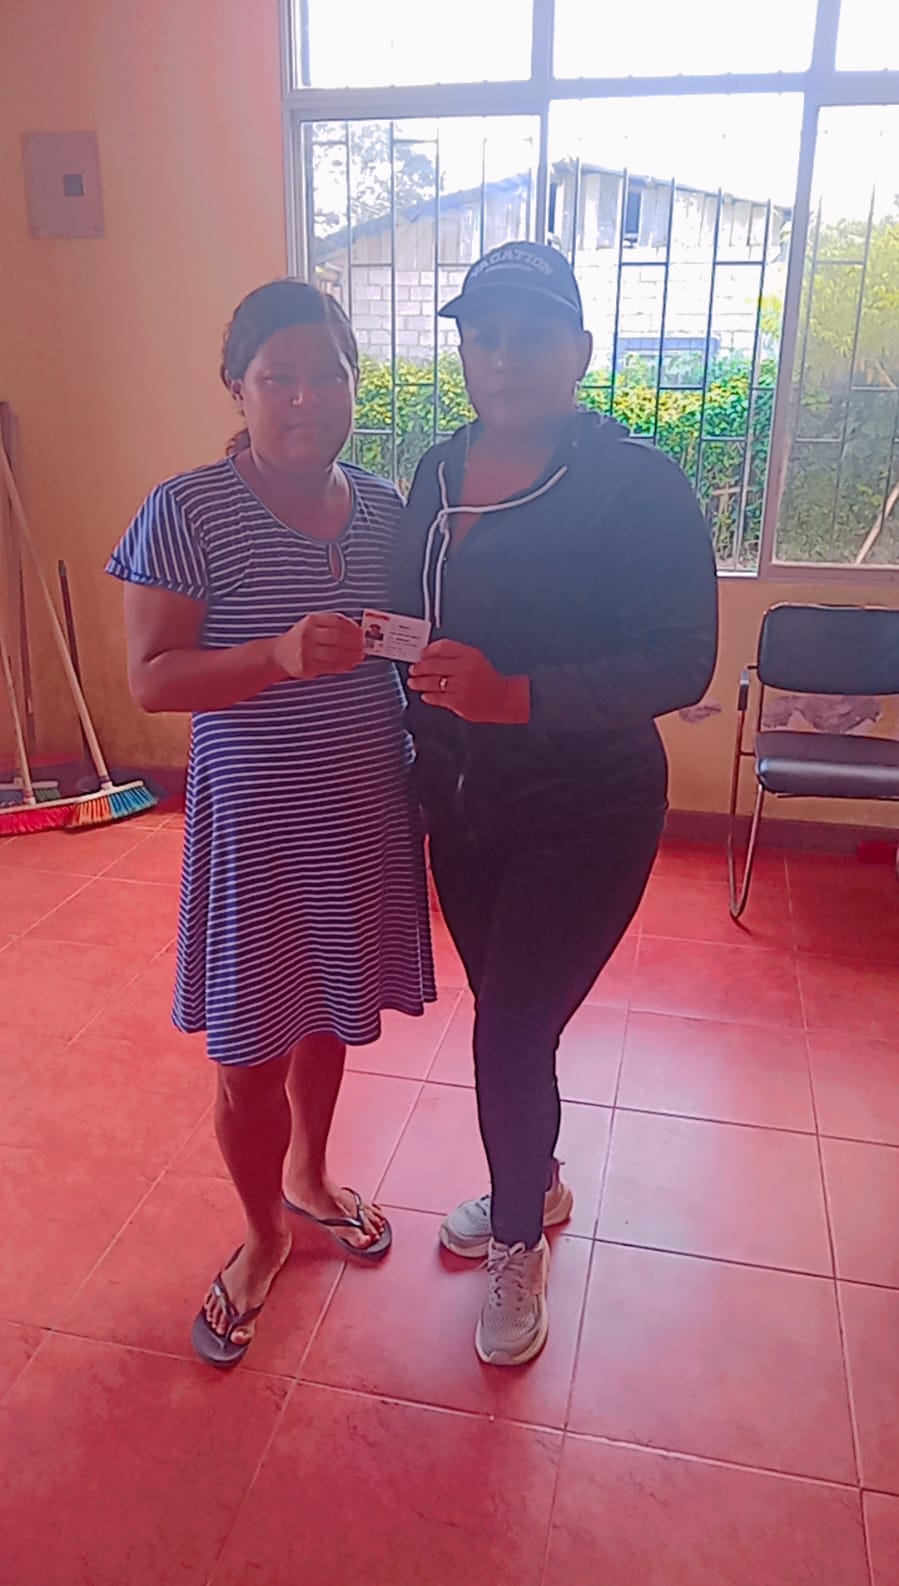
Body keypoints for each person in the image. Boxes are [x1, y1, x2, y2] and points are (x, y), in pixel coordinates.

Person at [393, 241, 718, 1367]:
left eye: (532, 333)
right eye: (482, 334)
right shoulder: (436, 468)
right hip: (461, 804)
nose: (505, 354)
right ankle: (535, 1178)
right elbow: (416, 612)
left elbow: (678, 659)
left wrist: (514, 694)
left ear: (579, 350)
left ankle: (516, 1239)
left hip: (587, 808)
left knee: (511, 1030)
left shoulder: (636, 481)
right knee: (512, 1021)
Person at [108, 279, 435, 1368]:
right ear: (236, 387)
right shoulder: (188, 511)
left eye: (326, 375)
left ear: (354, 383)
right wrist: (274, 656)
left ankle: (310, 1177)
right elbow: (152, 679)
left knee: (331, 1015)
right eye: (277, 377)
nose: (304, 398)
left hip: (365, 813)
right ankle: (261, 1234)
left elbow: (406, 642)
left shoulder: (384, 509)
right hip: (257, 826)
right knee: (251, 1052)